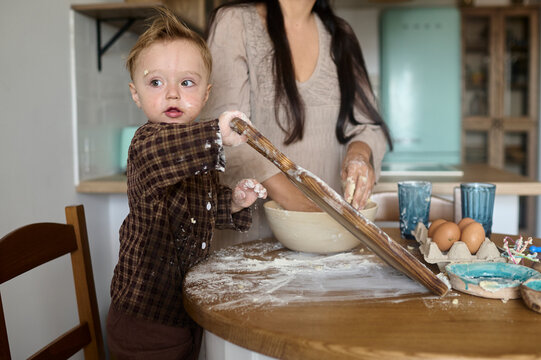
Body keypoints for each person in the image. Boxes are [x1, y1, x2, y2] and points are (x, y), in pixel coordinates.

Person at [106, 7, 267, 360]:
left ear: (206, 94)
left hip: (184, 309)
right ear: (136, 94)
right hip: (144, 318)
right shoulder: (147, 144)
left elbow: (199, 209)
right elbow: (169, 153)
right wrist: (217, 132)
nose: (173, 95)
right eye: (156, 82)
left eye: (187, 82)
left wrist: (233, 203)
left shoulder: (195, 152)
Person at [201, 0, 393, 244]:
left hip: (328, 242)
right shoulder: (234, 22)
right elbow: (223, 133)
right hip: (253, 244)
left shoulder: (340, 35)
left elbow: (368, 127)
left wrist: (360, 155)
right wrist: (308, 208)